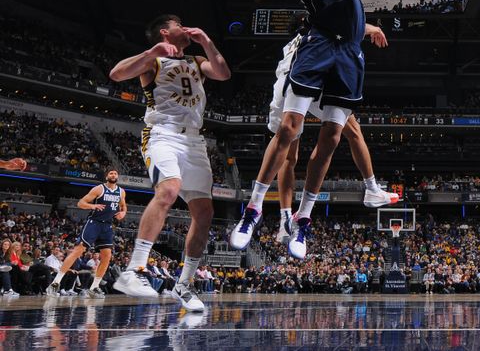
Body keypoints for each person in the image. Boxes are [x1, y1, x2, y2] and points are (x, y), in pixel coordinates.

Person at [230, 0, 383, 260]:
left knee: (333, 138)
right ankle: (252, 210)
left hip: (348, 56)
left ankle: (303, 220)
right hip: (317, 51)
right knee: (288, 129)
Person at [239, 15, 398, 249]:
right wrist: (374, 27)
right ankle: (371, 188)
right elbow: (351, 26)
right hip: (310, 77)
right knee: (349, 132)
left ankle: (285, 218)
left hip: (289, 82)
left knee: (289, 155)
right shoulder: (321, 31)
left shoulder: (293, 43)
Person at [108, 15, 231, 311]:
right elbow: (116, 74)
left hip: (195, 141)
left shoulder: (196, 58)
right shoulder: (154, 60)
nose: (186, 27)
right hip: (162, 134)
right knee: (168, 190)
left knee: (204, 212)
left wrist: (207, 41)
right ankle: (133, 271)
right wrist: (152, 52)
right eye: (179, 24)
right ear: (165, 31)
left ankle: (184, 285)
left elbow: (223, 73)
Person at [47, 169, 126, 299]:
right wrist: (92, 207)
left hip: (107, 225)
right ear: (107, 176)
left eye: (115, 173)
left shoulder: (121, 192)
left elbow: (123, 207)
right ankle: (55, 283)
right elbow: (81, 203)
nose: (113, 175)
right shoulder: (99, 189)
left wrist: (123, 213)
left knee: (107, 255)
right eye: (111, 173)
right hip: (94, 223)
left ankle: (94, 287)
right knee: (78, 251)